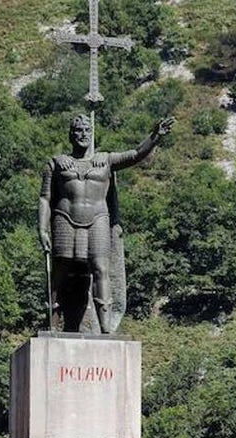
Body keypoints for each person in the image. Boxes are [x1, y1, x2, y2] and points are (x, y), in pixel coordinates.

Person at [39, 114, 174, 334]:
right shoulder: (56, 163)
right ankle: (52, 324)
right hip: (64, 218)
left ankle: (106, 330)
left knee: (101, 269)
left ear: (91, 134)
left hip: (98, 219)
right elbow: (45, 198)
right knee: (60, 271)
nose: (83, 135)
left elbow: (136, 154)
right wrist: (42, 229)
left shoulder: (105, 160)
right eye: (78, 131)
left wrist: (155, 137)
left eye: (86, 131)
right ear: (70, 135)